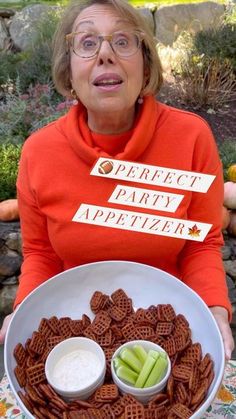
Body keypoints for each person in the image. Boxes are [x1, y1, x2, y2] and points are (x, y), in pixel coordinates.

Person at [0, 0, 234, 359]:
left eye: (122, 41)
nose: (105, 54)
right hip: (75, 331)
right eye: (88, 43)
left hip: (168, 324)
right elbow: (40, 253)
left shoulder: (191, 139)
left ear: (145, 65)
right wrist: (24, 311)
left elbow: (200, 244)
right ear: (69, 70)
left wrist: (214, 310)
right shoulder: (39, 152)